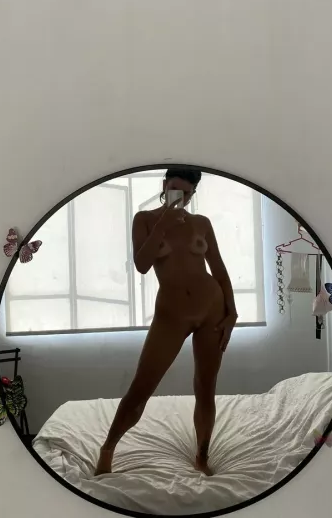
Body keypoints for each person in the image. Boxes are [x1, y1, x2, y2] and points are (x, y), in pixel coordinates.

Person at [96, 168, 238, 476]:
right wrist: (162, 225)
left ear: (193, 194)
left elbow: (219, 270)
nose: (180, 197)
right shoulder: (144, 219)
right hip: (171, 314)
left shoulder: (202, 223)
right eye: (174, 189)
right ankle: (107, 449)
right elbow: (142, 264)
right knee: (141, 388)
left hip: (212, 309)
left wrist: (233, 313)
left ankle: (202, 456)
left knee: (206, 387)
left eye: (186, 193)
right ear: (164, 186)